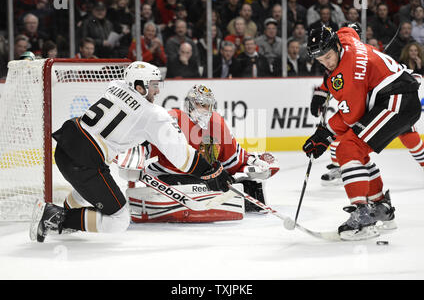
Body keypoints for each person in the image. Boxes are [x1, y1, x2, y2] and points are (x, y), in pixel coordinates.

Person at [29, 61, 232, 243]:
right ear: (139, 86)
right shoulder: (153, 115)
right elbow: (182, 158)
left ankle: (64, 213)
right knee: (119, 220)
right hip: (84, 162)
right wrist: (211, 171)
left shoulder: (115, 86)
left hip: (66, 145)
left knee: (87, 191)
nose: (157, 91)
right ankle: (55, 217)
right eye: (153, 86)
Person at [303, 25, 421, 241]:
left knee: (348, 148)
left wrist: (323, 134)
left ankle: (363, 217)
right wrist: (324, 88)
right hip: (395, 96)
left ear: (336, 46)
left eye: (328, 57)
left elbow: (352, 115)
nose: (327, 63)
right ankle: (380, 207)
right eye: (321, 61)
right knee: (355, 149)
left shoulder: (349, 75)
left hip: (396, 101)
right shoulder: (344, 39)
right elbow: (350, 29)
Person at [121, 84, 279, 214]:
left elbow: (233, 159)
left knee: (234, 182)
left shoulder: (217, 123)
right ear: (189, 104)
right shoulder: (172, 118)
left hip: (200, 179)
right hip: (166, 174)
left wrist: (252, 161)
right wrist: (133, 159)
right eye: (200, 104)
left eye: (207, 105)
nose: (204, 109)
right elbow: (145, 144)